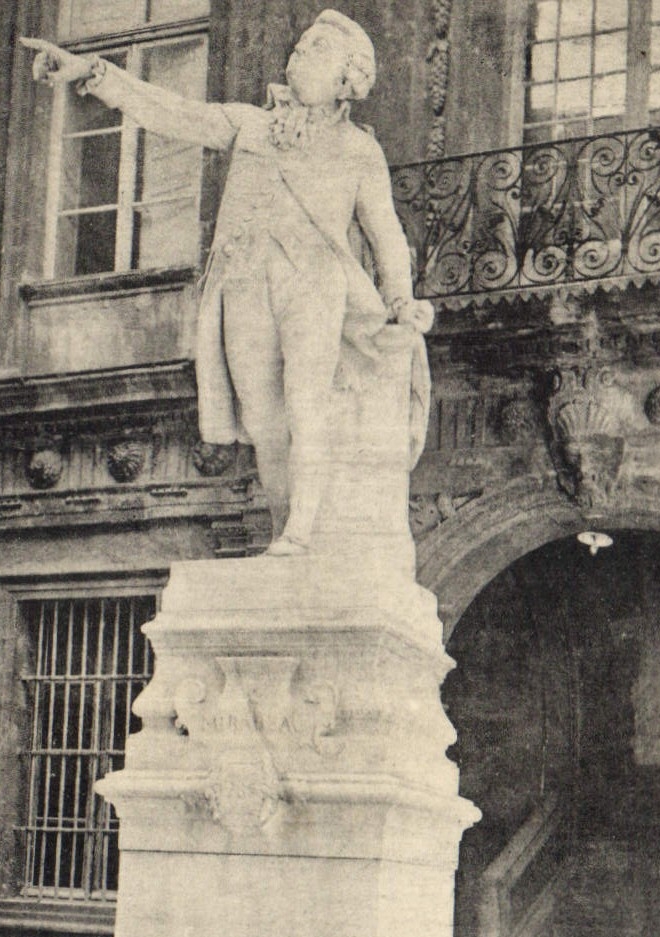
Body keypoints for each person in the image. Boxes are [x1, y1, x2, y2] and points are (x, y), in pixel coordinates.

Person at [22, 11, 432, 555]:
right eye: (301, 46)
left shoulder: (359, 150)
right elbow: (174, 114)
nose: (299, 55)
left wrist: (400, 300)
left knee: (305, 403)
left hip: (314, 282)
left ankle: (300, 533)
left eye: (316, 51)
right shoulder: (251, 124)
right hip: (243, 280)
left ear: (347, 79)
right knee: (262, 417)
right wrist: (92, 73)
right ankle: (286, 525)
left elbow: (385, 233)